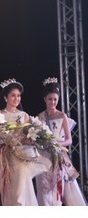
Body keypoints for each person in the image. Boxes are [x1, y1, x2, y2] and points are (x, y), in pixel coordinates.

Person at [0, 78, 51, 206]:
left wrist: (30, 139)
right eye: (13, 95)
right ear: (5, 98)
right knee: (9, 188)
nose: (16, 98)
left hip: (21, 156)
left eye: (18, 96)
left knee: (21, 186)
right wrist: (6, 139)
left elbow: (28, 137)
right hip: (5, 156)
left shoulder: (24, 115)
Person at [36, 77, 87, 206]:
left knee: (56, 190)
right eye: (50, 99)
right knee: (43, 191)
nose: (52, 102)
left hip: (57, 157)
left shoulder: (62, 116)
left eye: (55, 99)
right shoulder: (40, 117)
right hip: (43, 157)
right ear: (44, 99)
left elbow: (69, 140)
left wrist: (56, 144)